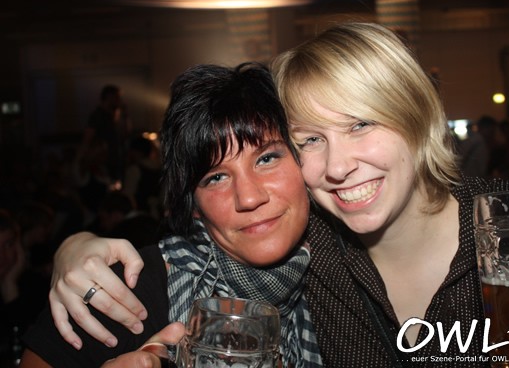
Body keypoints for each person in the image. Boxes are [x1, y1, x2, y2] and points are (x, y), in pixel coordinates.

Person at [45, 23, 509, 367]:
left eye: (361, 124)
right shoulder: (303, 251)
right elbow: (200, 249)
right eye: (310, 139)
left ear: (416, 119)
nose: (337, 166)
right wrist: (76, 248)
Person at [19, 62, 323, 368]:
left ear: (304, 161)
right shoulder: (127, 291)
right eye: (216, 177)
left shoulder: (339, 274)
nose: (249, 197)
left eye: (267, 158)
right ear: (194, 207)